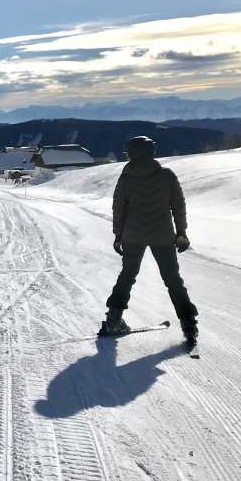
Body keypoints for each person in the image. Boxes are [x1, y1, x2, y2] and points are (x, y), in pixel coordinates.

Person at [102, 136, 198, 348]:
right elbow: (178, 206)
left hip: (133, 236)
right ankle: (189, 325)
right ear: (150, 152)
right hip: (162, 235)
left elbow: (119, 208)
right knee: (173, 280)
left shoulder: (126, 178)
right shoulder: (166, 175)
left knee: (127, 276)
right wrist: (181, 232)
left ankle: (113, 321)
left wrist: (118, 234)